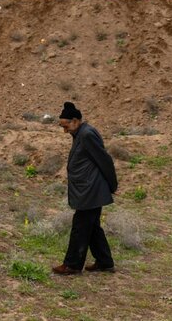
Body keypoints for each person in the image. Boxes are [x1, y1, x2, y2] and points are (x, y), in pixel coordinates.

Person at [52, 102, 117, 275]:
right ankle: (105, 262)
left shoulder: (87, 134)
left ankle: (72, 264)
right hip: (88, 190)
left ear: (75, 121)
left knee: (80, 226)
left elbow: (105, 160)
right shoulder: (80, 133)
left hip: (91, 191)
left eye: (66, 127)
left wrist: (112, 184)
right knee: (92, 226)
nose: (65, 131)